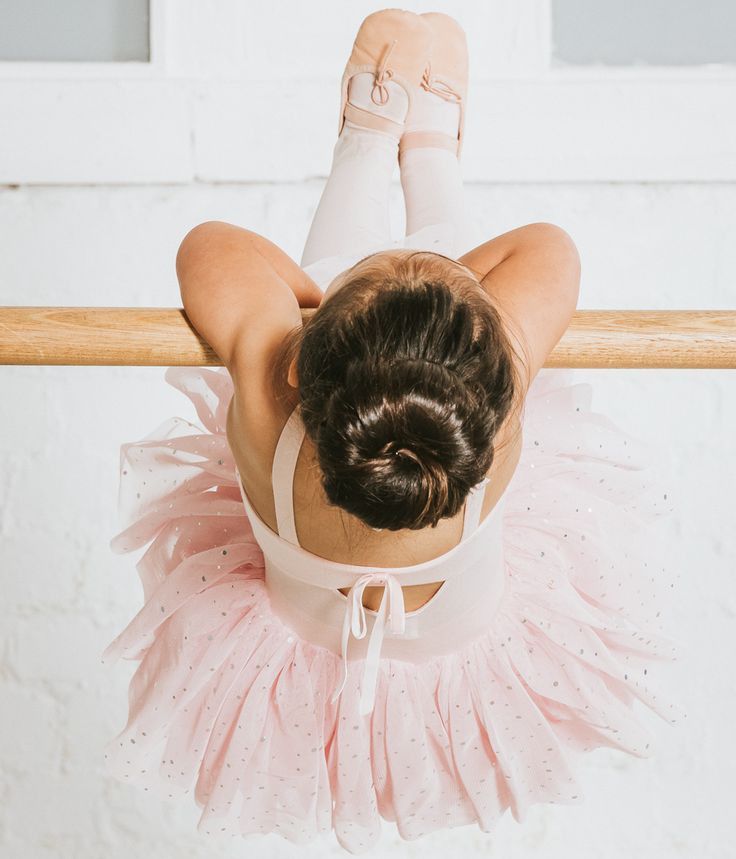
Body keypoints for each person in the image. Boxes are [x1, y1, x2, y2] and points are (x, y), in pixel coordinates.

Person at [101, 9, 683, 853]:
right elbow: (547, 249)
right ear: (490, 394)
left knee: (346, 277)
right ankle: (429, 150)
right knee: (426, 290)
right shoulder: (499, 416)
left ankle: (368, 145)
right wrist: (430, 288)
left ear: (297, 373)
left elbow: (210, 246)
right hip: (462, 638)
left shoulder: (269, 403)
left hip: (298, 631)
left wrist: (321, 301)